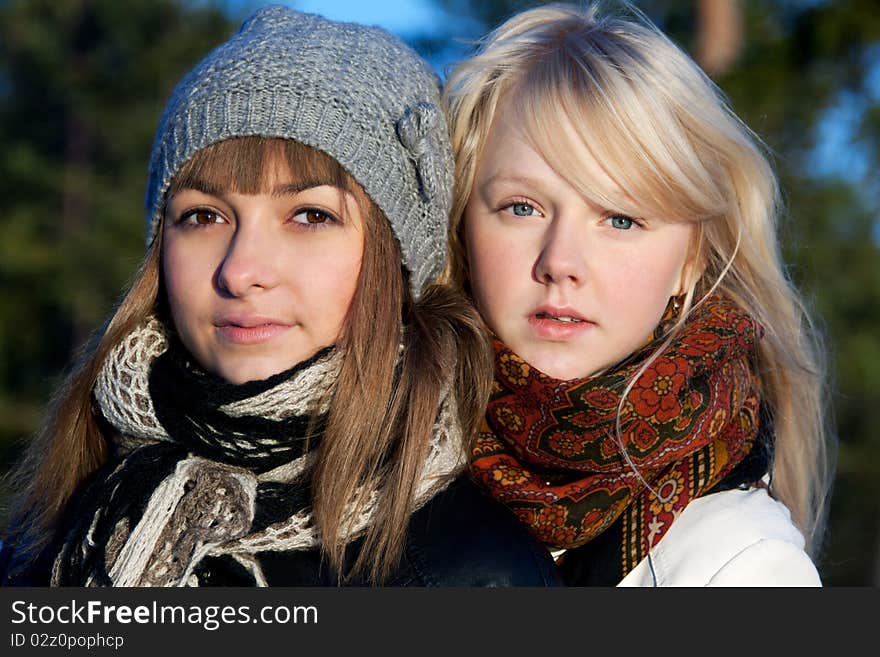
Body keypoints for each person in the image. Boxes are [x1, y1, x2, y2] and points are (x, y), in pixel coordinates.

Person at [0, 6, 562, 587]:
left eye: (310, 215)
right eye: (204, 215)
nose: (241, 271)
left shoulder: (473, 575)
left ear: (396, 261)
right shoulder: (53, 534)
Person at [442, 2, 833, 585]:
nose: (560, 263)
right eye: (522, 207)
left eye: (620, 218)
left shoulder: (745, 565)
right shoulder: (372, 473)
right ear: (463, 229)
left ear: (690, 261)